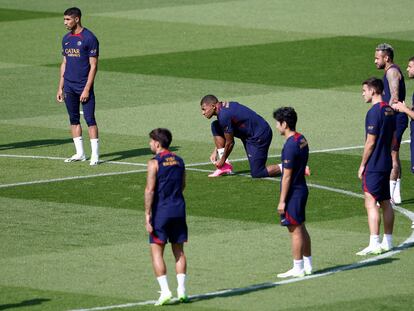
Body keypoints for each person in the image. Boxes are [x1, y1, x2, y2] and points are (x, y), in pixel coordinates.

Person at [144, 128, 188, 306]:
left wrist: (147, 214)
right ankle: (182, 290)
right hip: (179, 209)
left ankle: (165, 291)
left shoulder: (154, 163)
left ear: (157, 143)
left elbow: (149, 190)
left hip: (161, 211)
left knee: (156, 252)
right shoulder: (179, 160)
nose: (150, 144)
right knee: (179, 251)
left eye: (151, 141)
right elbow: (183, 184)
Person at [357, 77, 396, 256]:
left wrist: (363, 164)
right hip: (386, 161)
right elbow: (393, 138)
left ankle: (374, 243)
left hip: (374, 164)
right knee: (386, 201)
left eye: (364, 90)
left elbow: (370, 142)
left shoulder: (374, 112)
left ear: (373, 91)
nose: (363, 94)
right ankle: (388, 241)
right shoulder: (389, 110)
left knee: (371, 202)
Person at [56, 7, 100, 166]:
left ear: (77, 19)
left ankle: (95, 155)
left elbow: (93, 66)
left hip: (83, 86)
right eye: (64, 19)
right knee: (73, 119)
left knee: (90, 119)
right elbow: (64, 63)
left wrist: (87, 88)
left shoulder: (89, 38)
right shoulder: (66, 39)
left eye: (67, 19)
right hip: (68, 86)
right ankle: (80, 153)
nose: (65, 22)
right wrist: (60, 87)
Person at [200, 95, 281, 178]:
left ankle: (289, 166)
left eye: (204, 109)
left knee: (258, 172)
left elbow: (230, 142)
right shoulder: (223, 109)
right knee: (216, 126)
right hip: (248, 133)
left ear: (213, 106)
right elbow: (226, 131)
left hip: (259, 136)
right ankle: (225, 167)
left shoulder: (224, 115)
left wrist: (222, 160)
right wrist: (216, 150)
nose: (203, 113)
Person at [273, 107, 312, 278]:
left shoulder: (290, 146)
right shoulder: (301, 139)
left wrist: (282, 200)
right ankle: (308, 264)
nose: (276, 126)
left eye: (277, 123)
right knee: (301, 227)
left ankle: (298, 267)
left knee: (294, 230)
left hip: (294, 192)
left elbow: (286, 176)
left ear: (285, 124)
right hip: (302, 188)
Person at [374, 43, 407, 203]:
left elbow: (394, 97)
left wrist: (387, 113)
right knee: (394, 153)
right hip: (395, 118)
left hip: (395, 119)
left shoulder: (392, 72)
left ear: (386, 58)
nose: (375, 61)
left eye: (377, 58)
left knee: (392, 154)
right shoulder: (390, 71)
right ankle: (396, 194)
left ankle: (391, 194)